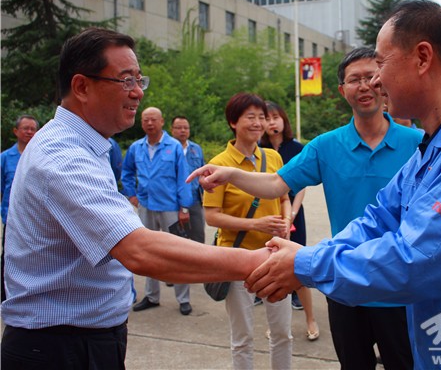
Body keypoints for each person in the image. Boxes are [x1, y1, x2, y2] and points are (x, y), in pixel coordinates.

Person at [197, 0, 441, 369]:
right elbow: (377, 219)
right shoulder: (432, 148)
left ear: (422, 58)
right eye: (358, 77)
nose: (374, 82)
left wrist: (305, 263)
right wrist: (297, 259)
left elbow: (419, 260)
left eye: (381, 64)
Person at [0, 27, 268, 370]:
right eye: (126, 80)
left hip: (82, 338)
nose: (138, 92)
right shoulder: (63, 155)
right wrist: (260, 261)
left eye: (140, 80)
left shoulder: (87, 144)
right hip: (59, 348)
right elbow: (140, 250)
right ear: (81, 87)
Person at [190, 47, 423, 369]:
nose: (364, 86)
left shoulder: (418, 143)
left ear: (383, 81)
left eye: (371, 77)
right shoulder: (326, 145)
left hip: (399, 287)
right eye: (354, 80)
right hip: (344, 282)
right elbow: (276, 184)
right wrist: (230, 174)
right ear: (342, 90)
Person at [202, 92, 293, 370]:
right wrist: (255, 224)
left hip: (274, 254)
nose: (257, 123)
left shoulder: (273, 157)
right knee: (242, 337)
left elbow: (284, 197)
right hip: (237, 257)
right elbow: (211, 217)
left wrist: (286, 222)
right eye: (250, 117)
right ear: (233, 122)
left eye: (261, 117)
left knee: (282, 333)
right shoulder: (219, 163)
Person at [122, 107, 195, 316]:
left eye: (153, 119)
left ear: (162, 122)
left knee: (177, 253)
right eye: (145, 120)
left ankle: (183, 299)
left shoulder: (174, 147)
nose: (149, 123)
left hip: (170, 207)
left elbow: (183, 179)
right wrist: (132, 195)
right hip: (146, 206)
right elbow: (127, 172)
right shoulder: (136, 147)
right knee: (147, 253)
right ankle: (152, 296)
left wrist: (184, 207)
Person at [260, 101, 320, 341]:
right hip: (270, 214)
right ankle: (276, 322)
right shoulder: (261, 150)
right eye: (267, 118)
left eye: (275, 117)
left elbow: (301, 186)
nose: (271, 122)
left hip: (294, 212)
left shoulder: (296, 148)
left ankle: (310, 318)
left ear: (284, 120)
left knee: (299, 263)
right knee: (271, 265)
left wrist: (292, 214)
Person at [1, 114, 39, 302]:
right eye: (25, 128)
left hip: (35, 220)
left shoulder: (41, 156)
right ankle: (5, 295)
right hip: (11, 218)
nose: (29, 132)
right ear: (16, 131)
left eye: (33, 129)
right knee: (8, 257)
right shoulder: (5, 158)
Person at [171, 115, 207, 244]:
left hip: (195, 200)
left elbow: (203, 172)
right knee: (178, 241)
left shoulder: (196, 149)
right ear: (172, 130)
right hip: (173, 202)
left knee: (199, 237)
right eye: (179, 128)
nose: (183, 130)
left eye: (186, 128)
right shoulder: (167, 149)